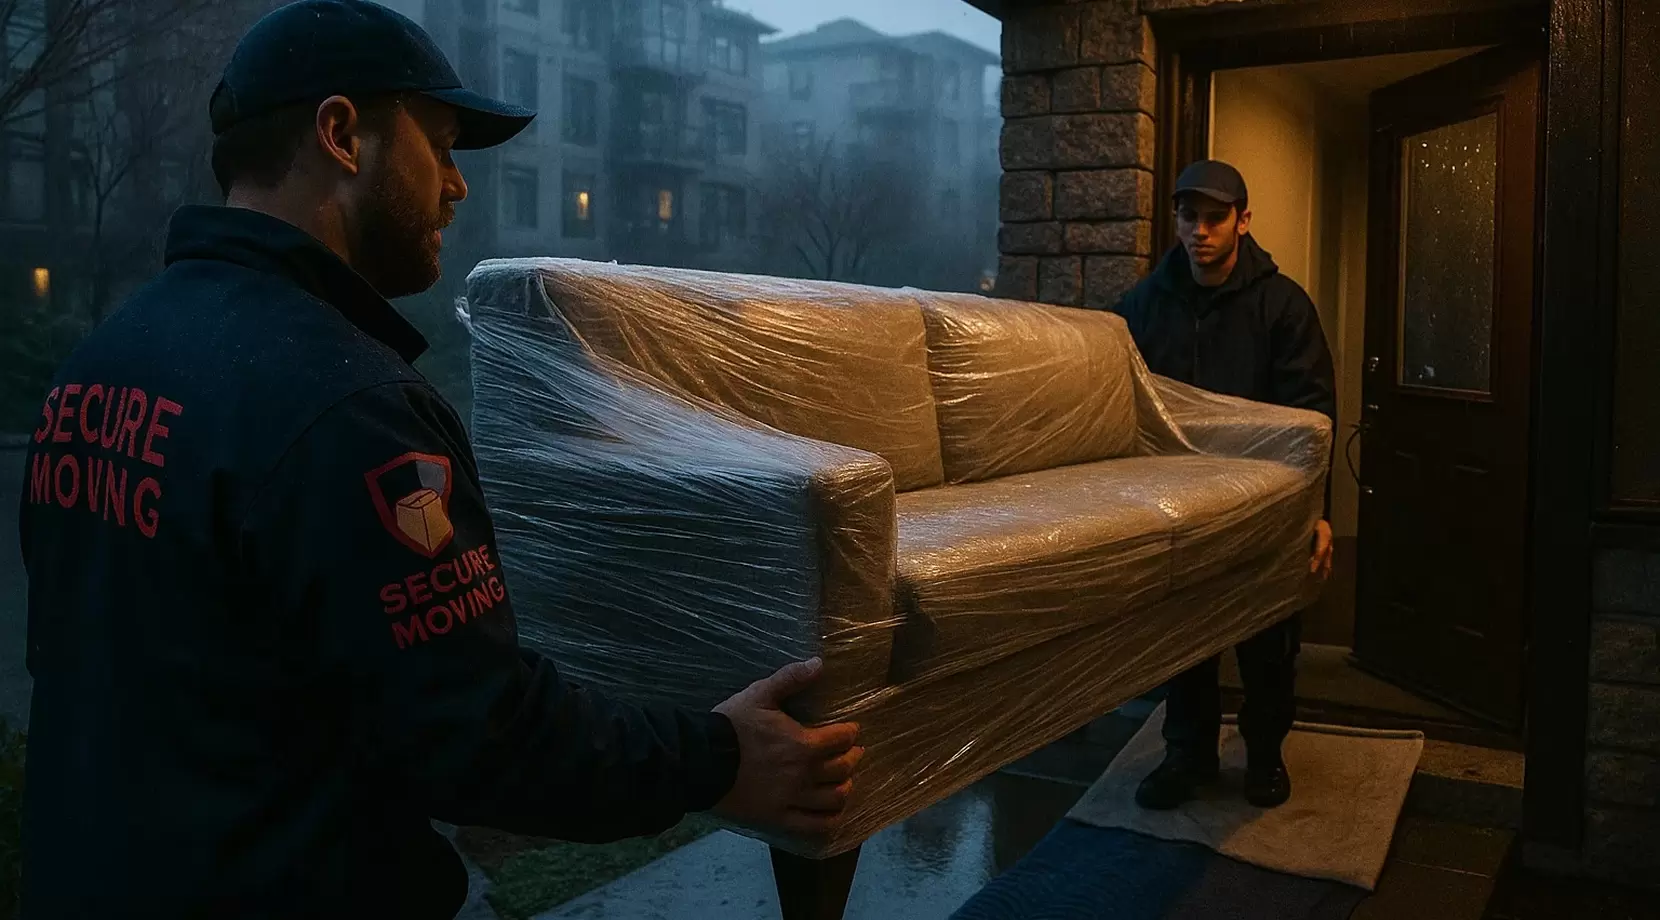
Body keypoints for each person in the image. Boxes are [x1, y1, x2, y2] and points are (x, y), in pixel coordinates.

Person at [14, 2, 863, 917]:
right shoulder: (348, 407)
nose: (457, 187)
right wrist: (718, 758)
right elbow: (483, 735)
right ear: (342, 134)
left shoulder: (99, 365)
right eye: (443, 145)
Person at [1107, 159, 1337, 811]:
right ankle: (1189, 755)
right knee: (1186, 640)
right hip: (1179, 505)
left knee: (1268, 641)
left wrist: (1316, 513)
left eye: (1215, 217)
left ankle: (1264, 755)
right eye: (1189, 217)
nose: (1200, 231)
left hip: (1268, 505)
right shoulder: (1144, 306)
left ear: (1243, 221)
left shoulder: (1282, 306)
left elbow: (1313, 415)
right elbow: (1117, 391)